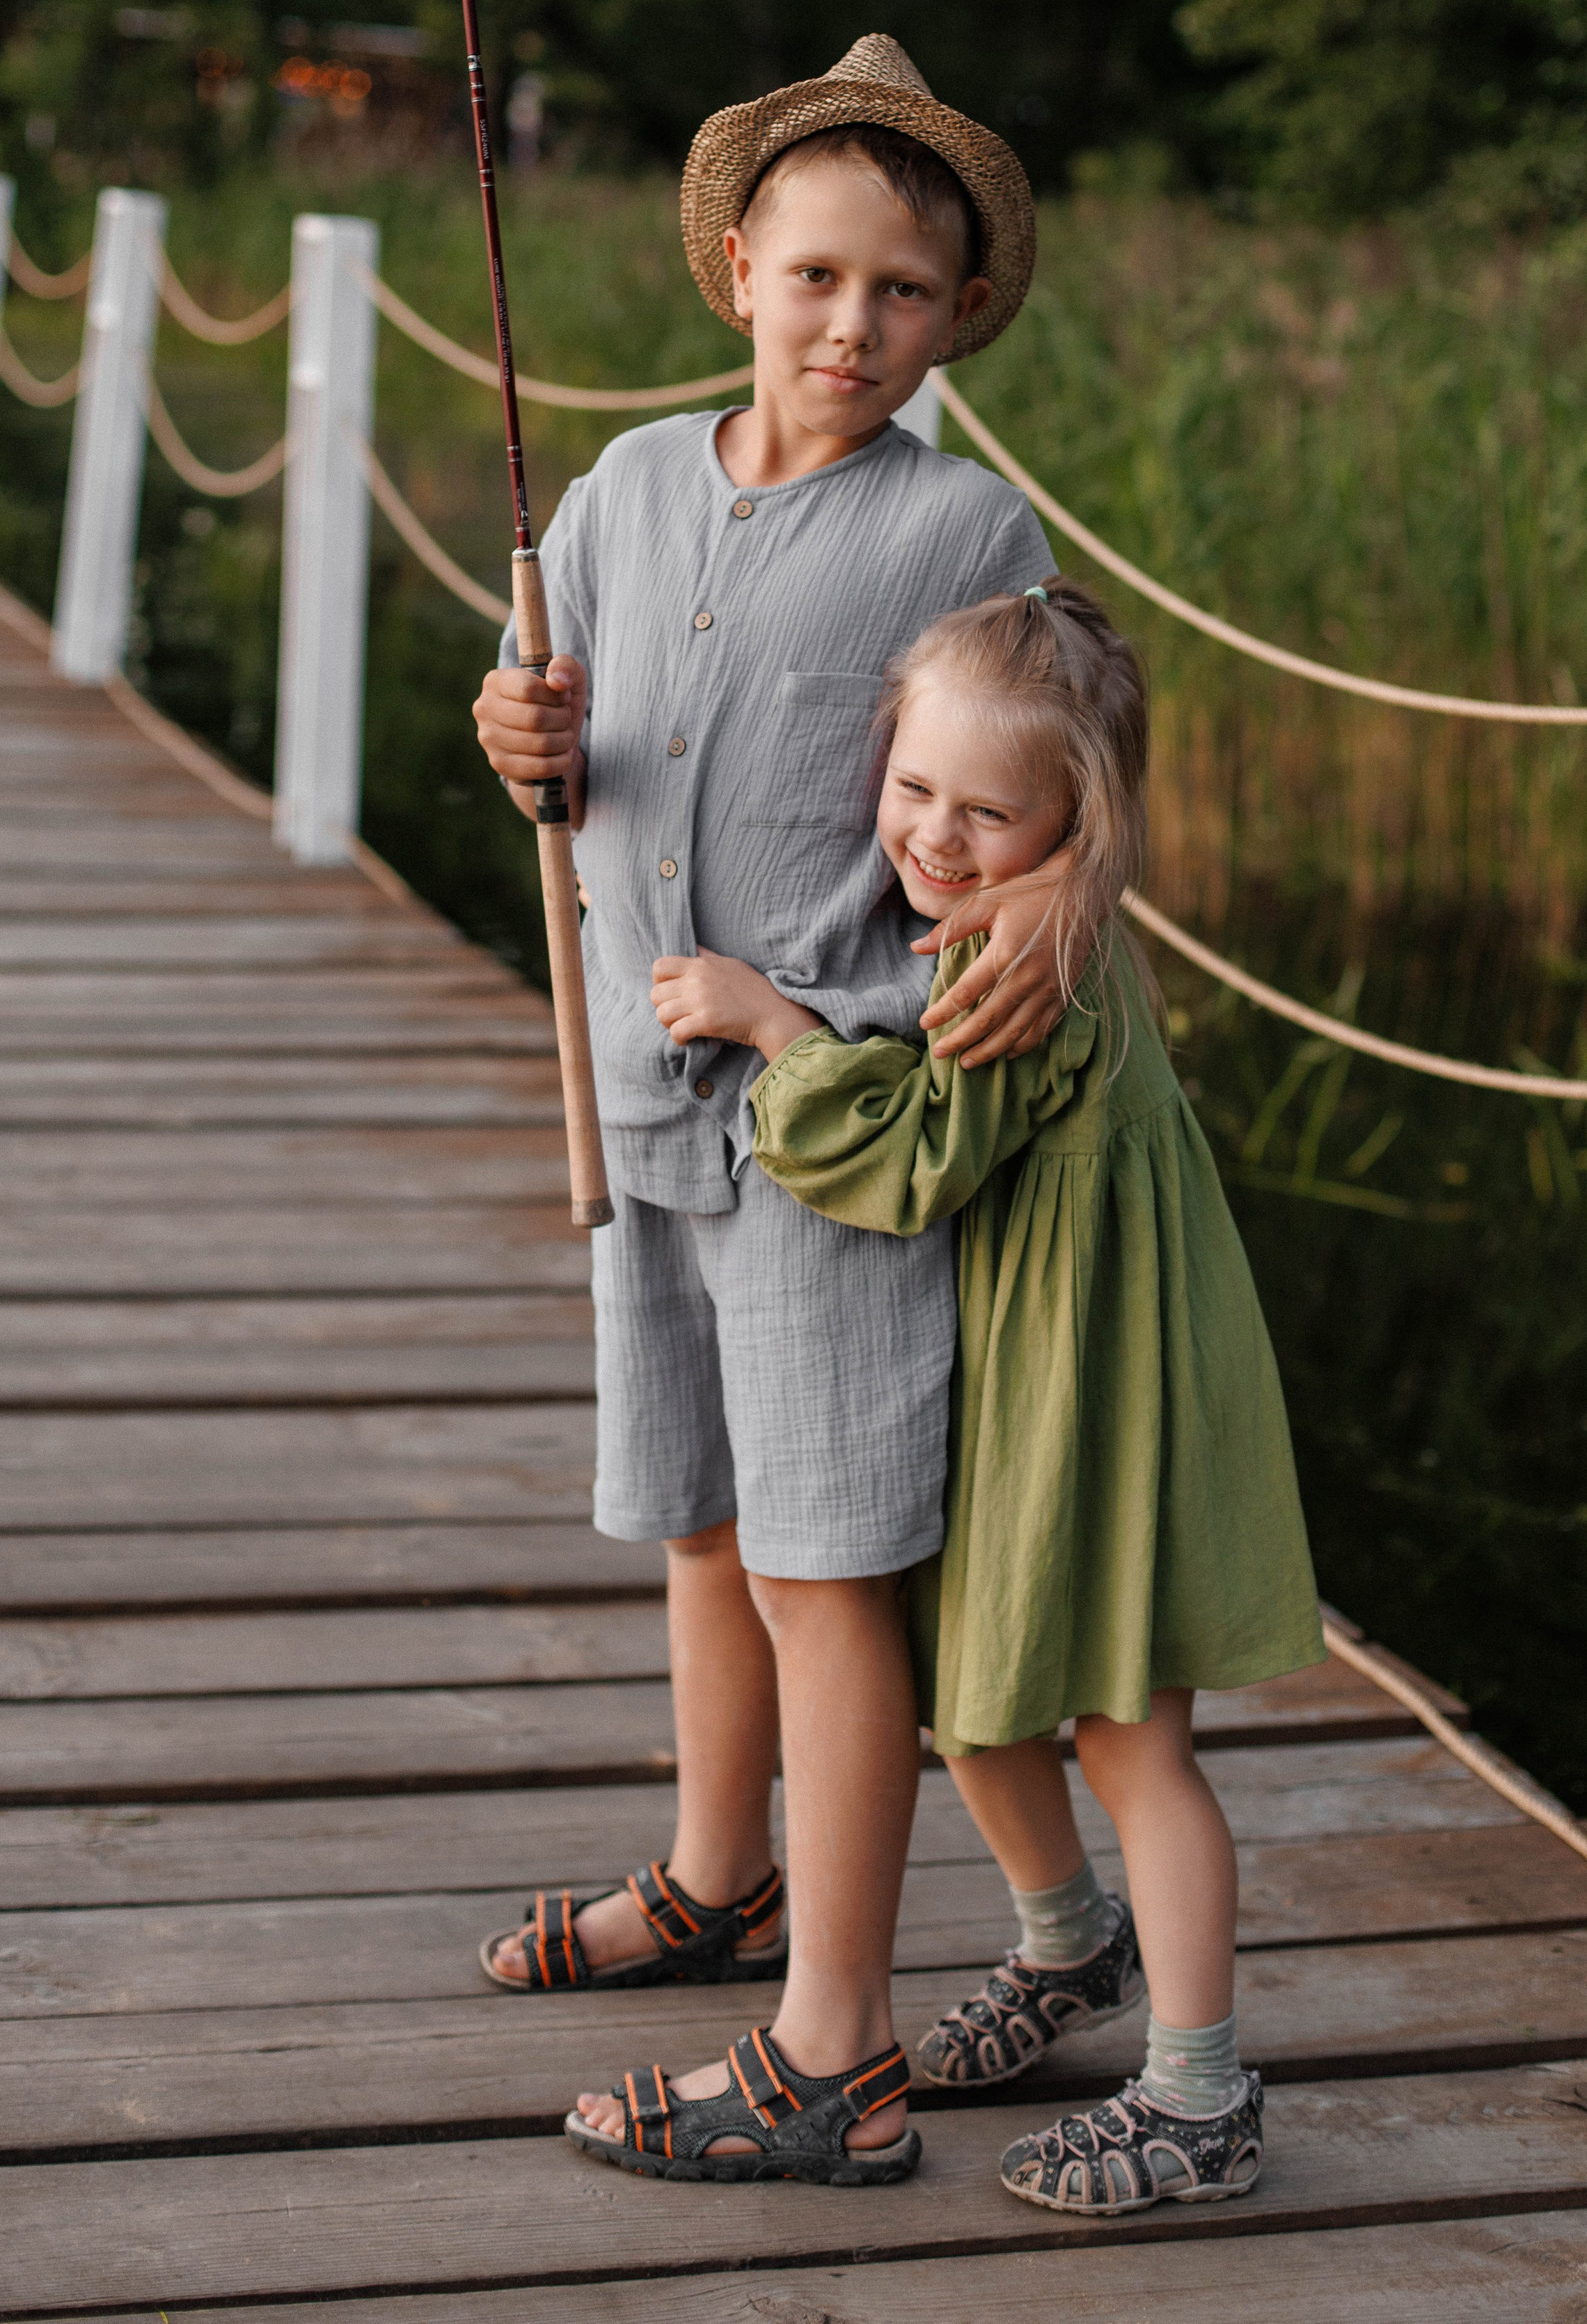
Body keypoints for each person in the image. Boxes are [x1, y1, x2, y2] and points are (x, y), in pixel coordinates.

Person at [471, 36, 1066, 2183]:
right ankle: (716, 1883)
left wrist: (972, 963)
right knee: (704, 1523)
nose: (855, 327)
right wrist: (519, 728)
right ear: (740, 265)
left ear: (954, 316)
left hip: (834, 1132)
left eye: (904, 297)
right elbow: (564, 748)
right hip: (640, 1108)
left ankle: (843, 2046)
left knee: (829, 1572)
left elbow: (1049, 795)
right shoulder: (622, 487)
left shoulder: (963, 525)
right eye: (817, 277)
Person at [643, 578, 1326, 2215]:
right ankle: (1067, 1944)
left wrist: (772, 1023)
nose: (936, 840)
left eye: (989, 813)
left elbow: (909, 1156)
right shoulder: (996, 918)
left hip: (1108, 1387)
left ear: (1073, 827)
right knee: (976, 1681)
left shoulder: (1029, 965)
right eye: (911, 792)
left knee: (1125, 1728)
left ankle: (1200, 2095)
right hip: (1039, 1360)